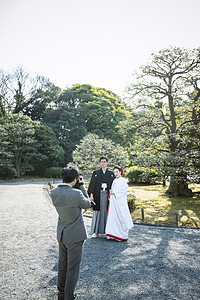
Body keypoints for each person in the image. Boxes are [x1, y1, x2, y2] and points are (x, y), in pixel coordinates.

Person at [50, 166, 93, 300]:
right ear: (75, 179)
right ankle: (69, 296)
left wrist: (76, 185)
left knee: (63, 265)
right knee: (73, 268)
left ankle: (61, 293)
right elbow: (87, 204)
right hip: (75, 235)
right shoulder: (76, 194)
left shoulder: (53, 192)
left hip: (62, 233)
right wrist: (82, 186)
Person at [88, 156, 115, 238]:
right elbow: (92, 185)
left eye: (104, 161)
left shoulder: (111, 173)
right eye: (101, 162)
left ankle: (108, 232)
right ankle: (95, 232)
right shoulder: (95, 173)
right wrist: (91, 196)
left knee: (107, 213)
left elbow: (114, 185)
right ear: (100, 163)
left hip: (107, 196)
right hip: (97, 195)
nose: (103, 163)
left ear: (107, 163)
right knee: (97, 213)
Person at [105, 166, 133, 241]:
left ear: (120, 172)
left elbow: (123, 191)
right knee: (113, 217)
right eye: (114, 172)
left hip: (120, 201)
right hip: (114, 202)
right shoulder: (114, 180)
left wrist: (114, 193)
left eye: (117, 172)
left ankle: (122, 235)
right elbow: (112, 189)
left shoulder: (123, 180)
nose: (115, 173)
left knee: (121, 216)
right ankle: (113, 234)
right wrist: (111, 192)